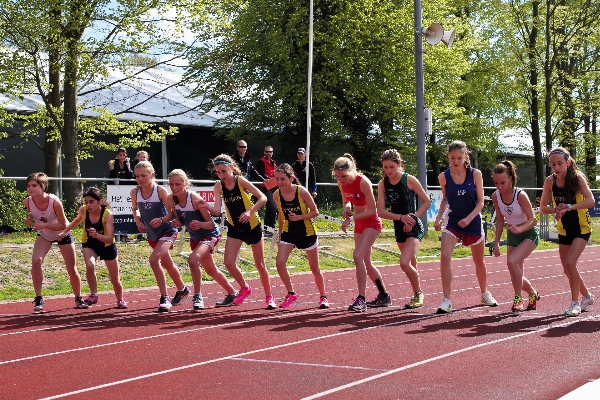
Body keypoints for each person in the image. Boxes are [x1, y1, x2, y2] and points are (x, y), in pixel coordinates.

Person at [196, 154, 276, 309]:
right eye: (218, 172)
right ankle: (245, 287)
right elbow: (218, 211)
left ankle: (269, 297)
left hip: (252, 225)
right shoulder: (218, 186)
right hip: (234, 227)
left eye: (224, 171)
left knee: (260, 264)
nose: (221, 175)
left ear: (232, 168)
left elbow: (262, 198)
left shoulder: (240, 181)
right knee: (228, 262)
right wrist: (205, 205)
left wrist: (250, 212)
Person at [433, 140, 498, 314]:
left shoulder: (475, 174)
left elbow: (481, 202)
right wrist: (439, 218)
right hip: (453, 221)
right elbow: (445, 199)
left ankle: (485, 292)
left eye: (459, 158)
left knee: (479, 262)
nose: (456, 161)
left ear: (465, 157)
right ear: (448, 157)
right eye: (452, 158)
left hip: (472, 221)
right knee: (445, 257)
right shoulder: (443, 176)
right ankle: (446, 300)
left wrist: (469, 219)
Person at [165, 169, 239, 309]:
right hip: (196, 237)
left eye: (178, 184)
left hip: (209, 234)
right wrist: (177, 223)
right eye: (171, 184)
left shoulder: (194, 198)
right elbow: (180, 220)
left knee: (193, 259)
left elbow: (211, 223)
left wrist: (199, 224)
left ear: (185, 183)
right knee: (211, 270)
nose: (174, 188)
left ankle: (197, 296)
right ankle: (232, 293)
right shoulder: (171, 199)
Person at [539, 147, 595, 317]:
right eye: (553, 164)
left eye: (560, 164)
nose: (556, 167)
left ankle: (575, 303)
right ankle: (587, 296)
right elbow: (542, 208)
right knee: (566, 268)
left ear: (568, 163)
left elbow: (591, 201)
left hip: (581, 228)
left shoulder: (577, 178)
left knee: (571, 263)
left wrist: (570, 207)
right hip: (564, 229)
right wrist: (556, 210)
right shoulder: (550, 181)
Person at [131, 161, 190, 312]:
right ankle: (182, 289)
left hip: (167, 231)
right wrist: (138, 221)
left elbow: (172, 211)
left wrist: (163, 219)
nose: (140, 179)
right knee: (168, 264)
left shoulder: (160, 191)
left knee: (153, 259)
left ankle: (164, 298)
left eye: (144, 175)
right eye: (137, 176)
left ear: (152, 175)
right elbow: (135, 209)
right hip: (152, 233)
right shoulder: (135, 192)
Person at [333, 153, 389, 312]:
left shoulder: (363, 182)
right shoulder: (341, 182)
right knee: (366, 262)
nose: (341, 179)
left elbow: (372, 210)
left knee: (357, 256)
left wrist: (352, 218)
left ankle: (361, 299)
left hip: (372, 222)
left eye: (343, 176)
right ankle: (384, 295)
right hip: (359, 222)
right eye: (337, 176)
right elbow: (346, 199)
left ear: (351, 171)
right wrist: (347, 208)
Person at [24, 172, 88, 311]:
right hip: (45, 234)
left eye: (34, 185)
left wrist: (43, 225)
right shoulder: (28, 201)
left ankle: (78, 297)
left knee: (72, 269)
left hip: (62, 234)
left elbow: (63, 224)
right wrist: (30, 218)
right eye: (28, 186)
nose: (30, 188)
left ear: (44, 186)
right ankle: (38, 298)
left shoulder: (54, 201)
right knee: (36, 261)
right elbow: (33, 213)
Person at [376, 149, 431, 309]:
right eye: (385, 167)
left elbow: (426, 202)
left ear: (399, 164)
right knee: (411, 264)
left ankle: (419, 293)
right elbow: (381, 211)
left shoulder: (409, 180)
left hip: (414, 227)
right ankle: (416, 294)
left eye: (391, 167)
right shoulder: (383, 183)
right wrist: (401, 218)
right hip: (399, 227)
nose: (388, 171)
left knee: (404, 263)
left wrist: (413, 217)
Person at [57, 187, 128, 309]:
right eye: (86, 202)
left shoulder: (107, 214)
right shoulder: (83, 210)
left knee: (115, 279)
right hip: (90, 244)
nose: (88, 205)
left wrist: (97, 235)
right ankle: (93, 294)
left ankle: (120, 299)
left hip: (106, 245)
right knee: (90, 265)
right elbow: (76, 221)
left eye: (91, 202)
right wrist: (64, 232)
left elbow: (110, 238)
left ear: (99, 201)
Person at [273, 163, 328, 309]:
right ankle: (291, 293)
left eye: (282, 179)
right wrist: (280, 235)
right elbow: (280, 215)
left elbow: (315, 212)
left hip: (307, 232)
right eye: (277, 179)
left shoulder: (301, 192)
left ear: (291, 178)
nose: (279, 182)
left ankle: (323, 296)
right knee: (279, 263)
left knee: (314, 268)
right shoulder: (276, 194)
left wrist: (300, 217)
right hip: (288, 232)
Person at [491, 161, 540, 313]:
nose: (499, 186)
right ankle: (532, 293)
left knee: (512, 262)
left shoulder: (520, 195)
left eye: (503, 182)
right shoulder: (496, 196)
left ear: (511, 178)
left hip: (528, 233)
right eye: (496, 183)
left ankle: (518, 299)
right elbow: (500, 220)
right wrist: (497, 242)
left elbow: (533, 220)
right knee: (515, 270)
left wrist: (521, 229)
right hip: (513, 234)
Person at [255, 145, 278, 233]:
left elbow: (275, 174)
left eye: (270, 152)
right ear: (264, 152)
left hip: (273, 187)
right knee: (273, 207)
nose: (269, 153)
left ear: (272, 153)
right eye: (267, 152)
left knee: (271, 208)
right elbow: (261, 175)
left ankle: (269, 229)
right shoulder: (261, 162)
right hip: (265, 188)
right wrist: (271, 180)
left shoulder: (273, 163)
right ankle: (270, 229)